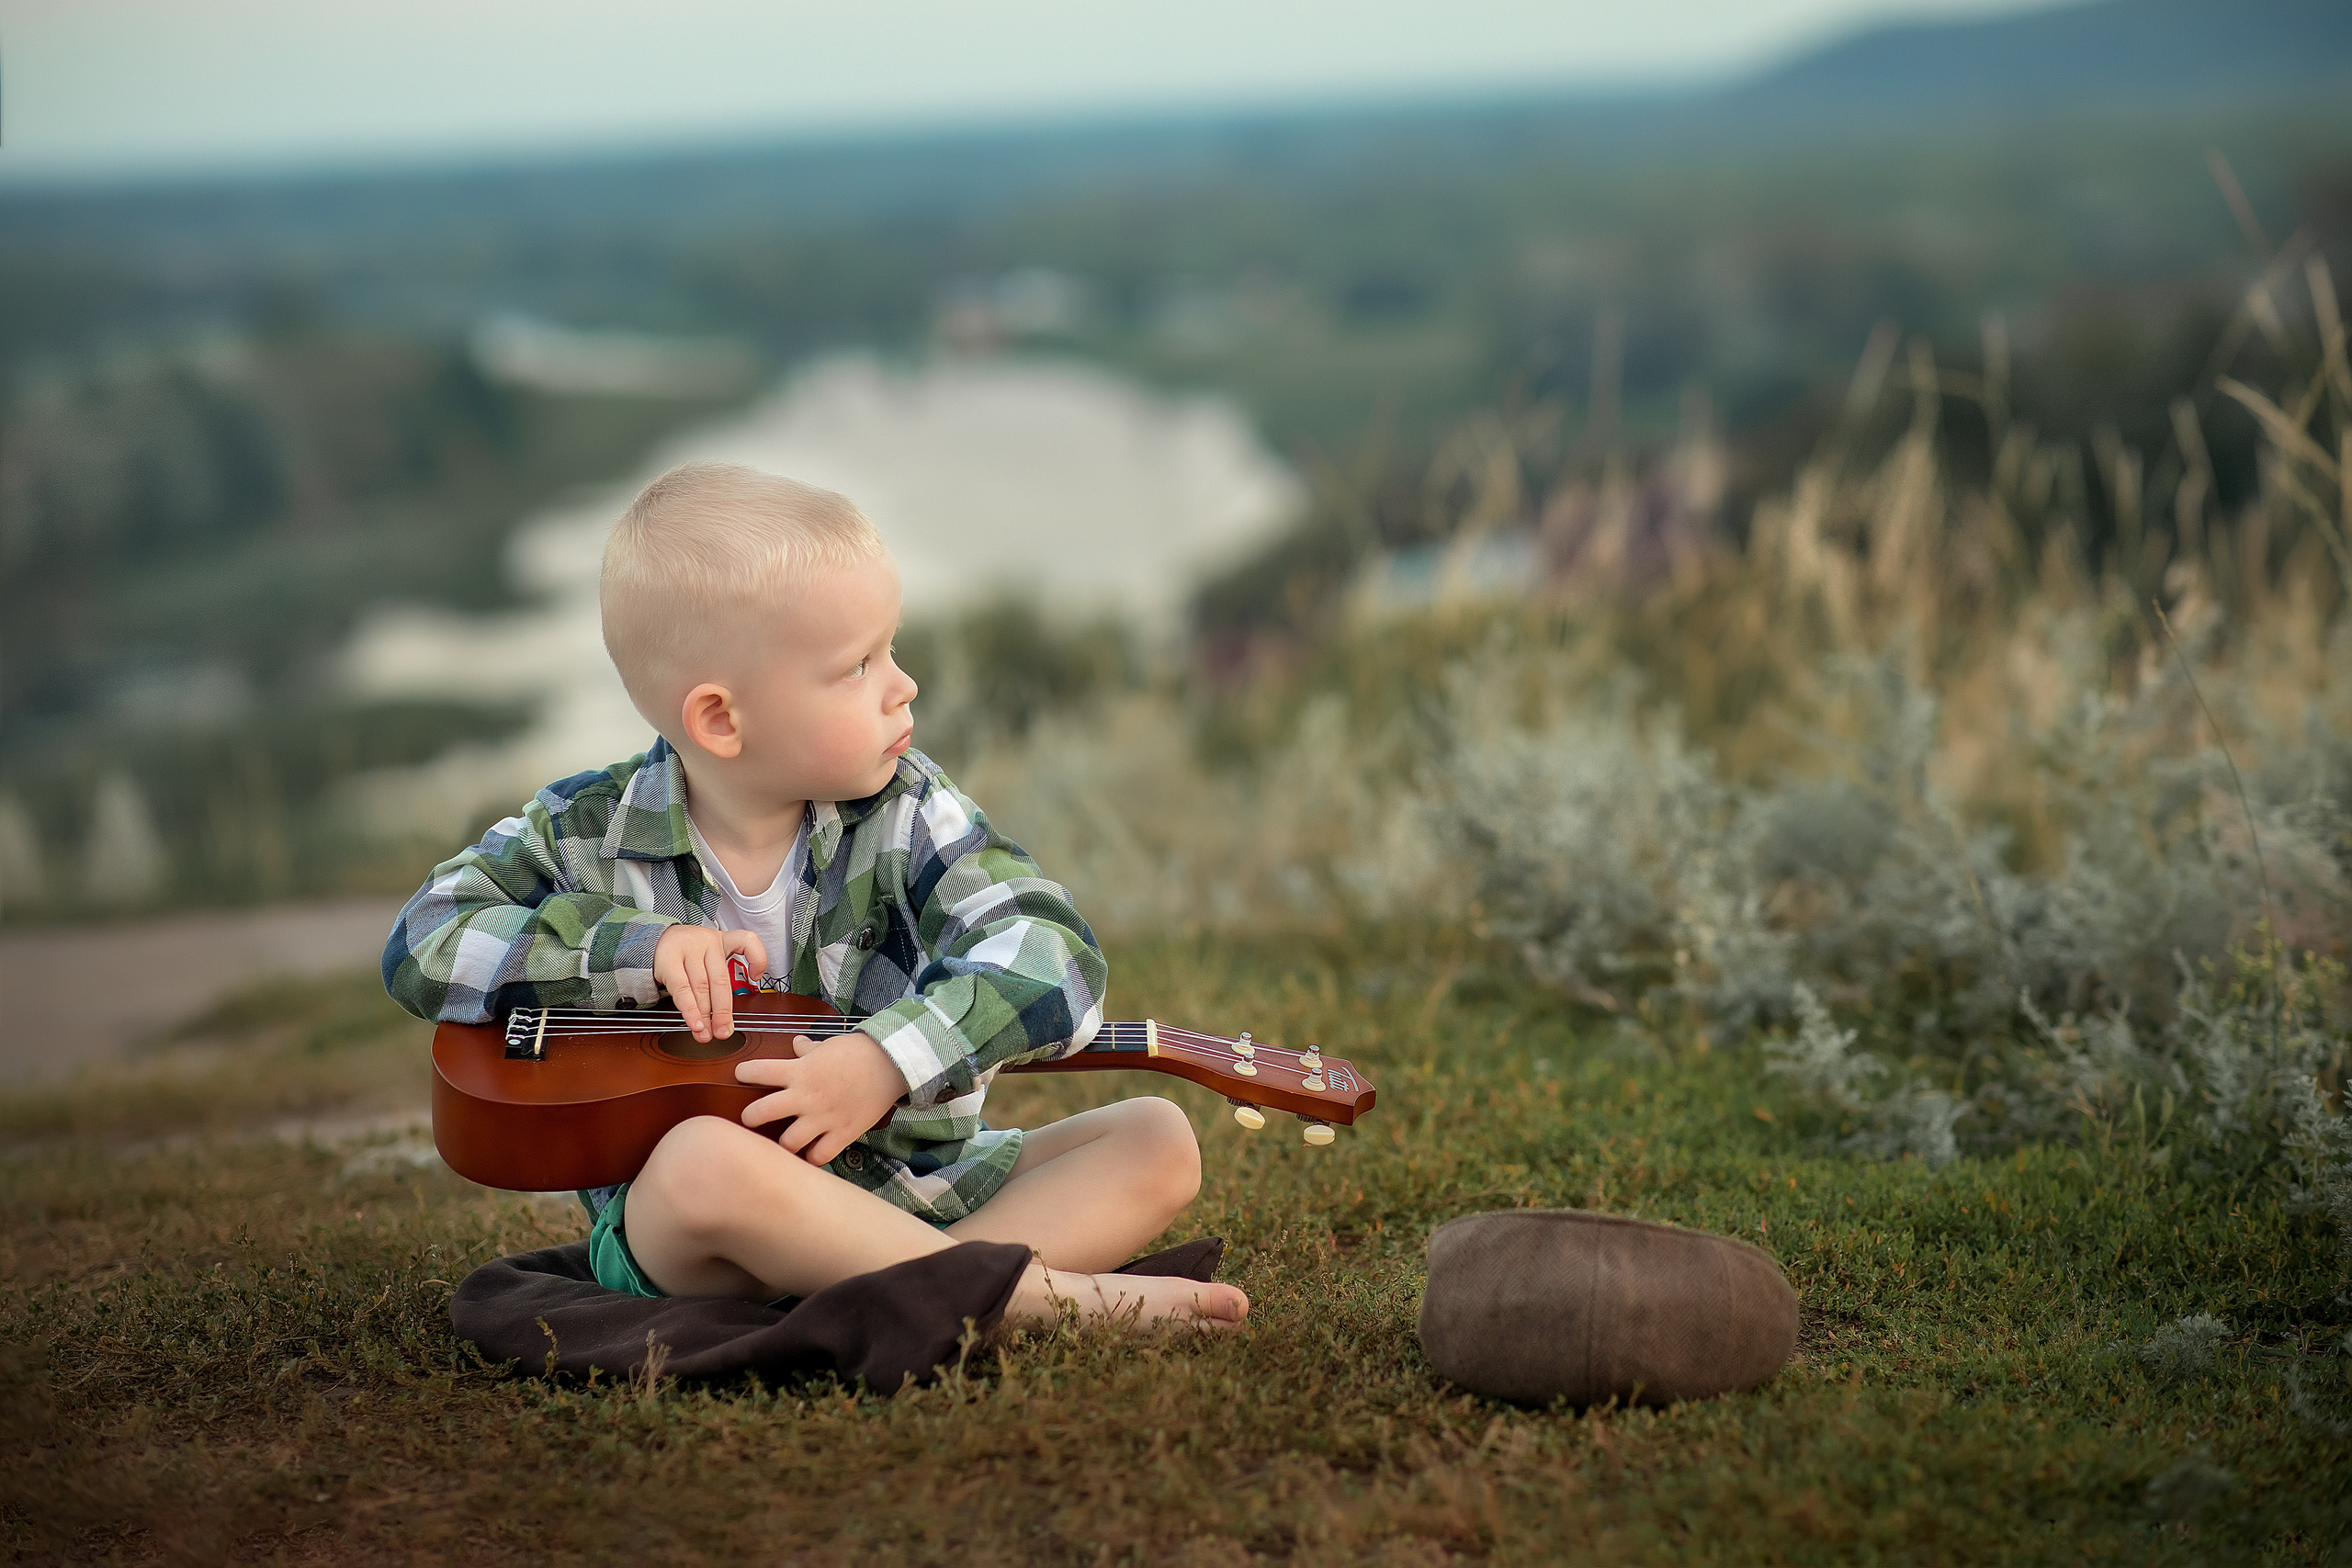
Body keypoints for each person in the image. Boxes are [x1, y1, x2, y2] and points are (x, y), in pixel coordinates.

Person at [384, 462, 1247, 1331]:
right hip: (710, 1234)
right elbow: (425, 934)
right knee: (699, 1163)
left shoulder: (909, 809)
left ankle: (932, 1297)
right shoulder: (584, 830)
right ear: (721, 720)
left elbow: (1053, 950)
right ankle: (1041, 1303)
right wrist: (632, 949)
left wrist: (885, 1060)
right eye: (857, 665)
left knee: (1156, 1138)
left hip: (914, 1187)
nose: (902, 684)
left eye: (892, 647)